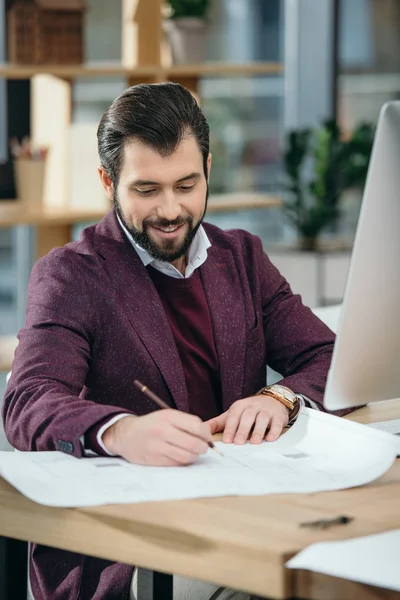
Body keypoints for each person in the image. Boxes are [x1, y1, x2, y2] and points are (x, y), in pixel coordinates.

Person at [3, 83, 337, 600]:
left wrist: (279, 397)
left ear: (207, 167)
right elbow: (28, 401)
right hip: (129, 546)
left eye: (186, 185)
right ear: (107, 182)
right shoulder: (71, 276)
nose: (170, 210)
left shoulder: (242, 257)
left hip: (244, 514)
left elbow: (326, 354)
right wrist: (120, 432)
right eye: (146, 190)